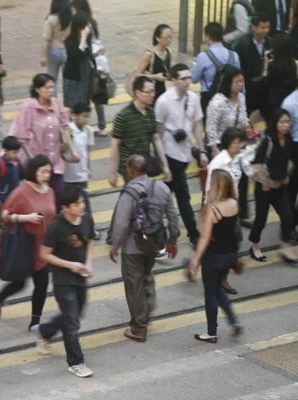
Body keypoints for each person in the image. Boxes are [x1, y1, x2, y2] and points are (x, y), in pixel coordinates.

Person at [108, 155, 180, 343]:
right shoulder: (162, 187)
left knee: (134, 286)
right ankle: (147, 313)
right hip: (154, 244)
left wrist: (115, 246)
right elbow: (172, 215)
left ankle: (138, 328)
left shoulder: (129, 192)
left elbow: (121, 223)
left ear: (131, 171)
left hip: (133, 247)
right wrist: (172, 240)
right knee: (147, 275)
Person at [31, 185, 94, 378]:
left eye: (82, 202)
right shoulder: (56, 227)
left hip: (80, 275)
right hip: (62, 278)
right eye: (77, 204)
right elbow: (44, 254)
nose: (82, 207)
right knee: (72, 321)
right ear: (65, 207)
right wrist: (69, 265)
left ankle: (44, 331)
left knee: (75, 315)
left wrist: (89, 264)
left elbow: (89, 240)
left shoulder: (86, 219)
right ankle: (76, 361)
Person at [0, 155, 58, 330]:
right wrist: (26, 218)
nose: (46, 175)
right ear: (33, 171)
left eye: (49, 172)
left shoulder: (50, 191)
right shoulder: (21, 192)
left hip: (43, 247)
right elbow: (5, 215)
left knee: (42, 284)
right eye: (42, 171)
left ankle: (35, 322)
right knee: (19, 283)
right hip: (25, 245)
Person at [155, 63, 207, 249]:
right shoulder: (163, 101)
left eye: (189, 77)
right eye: (183, 78)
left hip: (185, 152)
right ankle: (192, 233)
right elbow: (158, 133)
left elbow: (198, 125)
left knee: (162, 197)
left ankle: (150, 228)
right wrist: (163, 163)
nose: (188, 81)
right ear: (174, 80)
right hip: (170, 154)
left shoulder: (193, 98)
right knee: (182, 196)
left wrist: (201, 151)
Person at [188, 169, 243, 344]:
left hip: (213, 257)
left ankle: (211, 332)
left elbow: (204, 238)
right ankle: (234, 322)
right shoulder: (234, 203)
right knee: (218, 289)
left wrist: (196, 259)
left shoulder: (211, 209)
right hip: (230, 255)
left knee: (210, 293)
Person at [10, 73, 75, 195]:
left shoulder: (56, 104)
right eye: (47, 88)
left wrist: (72, 151)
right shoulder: (28, 108)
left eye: (52, 87)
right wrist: (33, 160)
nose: (50, 91)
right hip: (37, 169)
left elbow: (64, 128)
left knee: (59, 199)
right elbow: (22, 137)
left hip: (55, 164)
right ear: (37, 89)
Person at [248, 109, 298, 264]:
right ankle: (254, 246)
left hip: (280, 187)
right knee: (261, 219)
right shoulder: (268, 140)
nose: (285, 125)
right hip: (265, 188)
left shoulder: (288, 141)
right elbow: (257, 163)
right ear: (275, 123)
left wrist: (287, 176)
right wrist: (264, 183)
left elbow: (289, 161)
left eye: (288, 122)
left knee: (287, 218)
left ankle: (285, 248)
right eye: (282, 122)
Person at [205, 67, 251, 228]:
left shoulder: (241, 99)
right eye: (236, 82)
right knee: (222, 185)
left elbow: (244, 118)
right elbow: (211, 128)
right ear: (228, 82)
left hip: (237, 147)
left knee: (242, 181)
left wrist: (247, 127)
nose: (240, 85)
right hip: (222, 148)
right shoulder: (218, 102)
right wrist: (216, 152)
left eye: (242, 82)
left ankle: (242, 214)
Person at [108, 76, 170, 186]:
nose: (153, 95)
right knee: (136, 197)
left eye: (153, 91)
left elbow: (156, 139)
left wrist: (165, 165)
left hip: (144, 165)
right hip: (130, 169)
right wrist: (112, 173)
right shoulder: (123, 116)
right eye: (149, 92)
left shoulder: (150, 112)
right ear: (137, 93)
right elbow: (114, 145)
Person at [205, 127, 244, 295]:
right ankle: (220, 278)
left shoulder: (236, 159)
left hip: (231, 208)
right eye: (236, 142)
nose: (239, 145)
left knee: (232, 242)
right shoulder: (218, 163)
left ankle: (220, 276)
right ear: (228, 144)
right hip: (218, 210)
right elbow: (209, 189)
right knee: (222, 244)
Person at [63, 10, 107, 137]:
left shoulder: (88, 38)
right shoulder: (70, 40)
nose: (86, 29)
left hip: (86, 75)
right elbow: (76, 55)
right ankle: (72, 131)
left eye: (87, 26)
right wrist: (82, 39)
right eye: (84, 26)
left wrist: (96, 56)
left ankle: (82, 128)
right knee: (74, 105)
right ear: (77, 27)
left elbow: (86, 56)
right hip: (74, 77)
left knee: (85, 104)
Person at [191, 22, 241, 119]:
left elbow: (193, 79)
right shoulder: (234, 55)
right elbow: (239, 80)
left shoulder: (203, 56)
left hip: (209, 99)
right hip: (231, 98)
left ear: (208, 37)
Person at [63, 102, 98, 238]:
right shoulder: (69, 130)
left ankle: (90, 230)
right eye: (84, 116)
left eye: (88, 116)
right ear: (74, 116)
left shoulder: (88, 130)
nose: (87, 119)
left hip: (82, 174)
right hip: (68, 175)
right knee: (69, 204)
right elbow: (63, 150)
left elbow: (88, 151)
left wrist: (88, 168)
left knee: (85, 203)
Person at [234, 12, 270, 116]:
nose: (266, 30)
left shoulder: (270, 43)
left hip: (264, 90)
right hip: (248, 90)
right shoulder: (242, 45)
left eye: (267, 27)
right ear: (253, 27)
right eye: (262, 27)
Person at [257, 33, 297, 123]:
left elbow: (264, 82)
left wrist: (266, 65)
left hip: (274, 103)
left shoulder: (274, 65)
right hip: (288, 100)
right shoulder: (292, 64)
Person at [0, 136, 22, 230]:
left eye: (17, 152)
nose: (16, 155)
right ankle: (0, 240)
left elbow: (22, 175)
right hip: (3, 200)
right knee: (2, 222)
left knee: (15, 221)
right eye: (14, 152)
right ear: (6, 151)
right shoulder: (0, 165)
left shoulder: (17, 162)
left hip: (15, 198)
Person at [132, 24, 172, 102]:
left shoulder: (168, 53)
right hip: (148, 93)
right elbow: (137, 76)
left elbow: (166, 71)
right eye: (166, 37)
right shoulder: (149, 54)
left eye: (170, 37)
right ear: (157, 38)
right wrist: (155, 77)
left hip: (161, 92)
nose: (169, 40)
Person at [40, 0, 72, 95]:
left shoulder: (50, 19)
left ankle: (53, 104)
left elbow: (46, 39)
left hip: (53, 50)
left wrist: (43, 56)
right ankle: (69, 103)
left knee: (52, 80)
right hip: (67, 51)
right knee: (68, 80)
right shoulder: (71, 18)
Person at [280, 84, 298, 237]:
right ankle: (289, 226)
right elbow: (284, 130)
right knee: (292, 189)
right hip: (295, 147)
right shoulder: (289, 103)